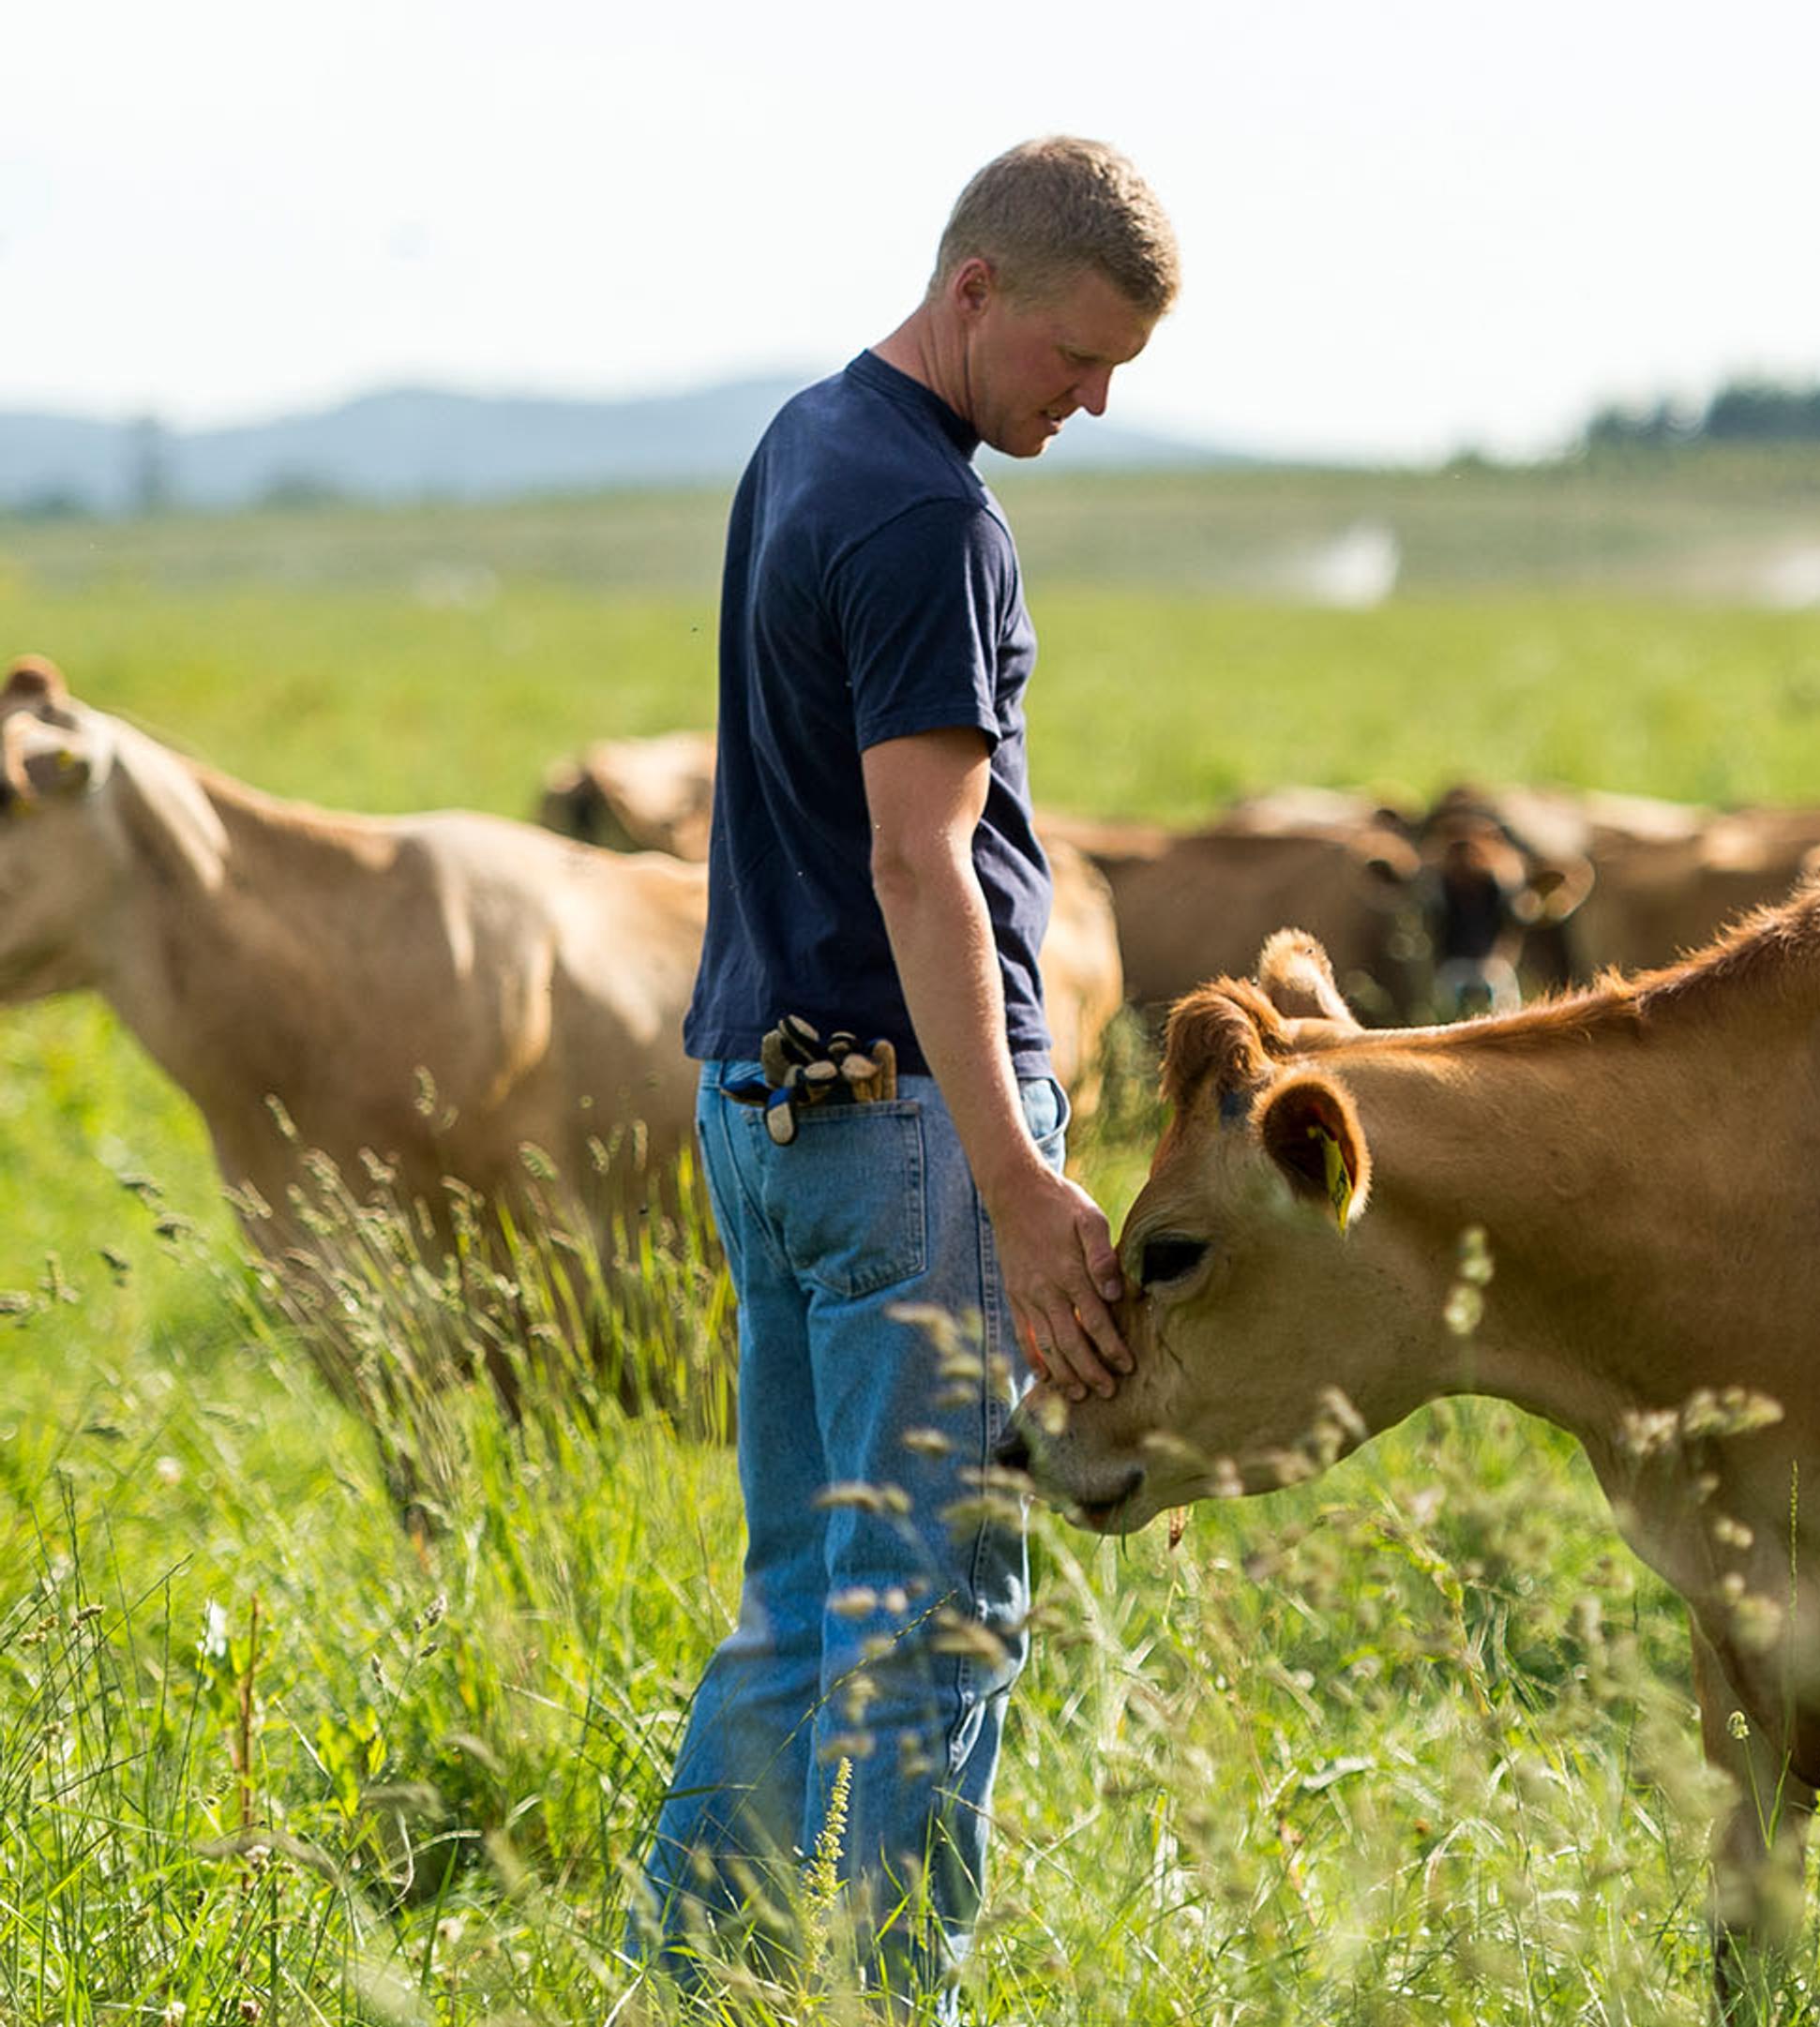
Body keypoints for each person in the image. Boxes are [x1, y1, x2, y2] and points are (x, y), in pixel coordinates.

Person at [635, 136, 1176, 2017]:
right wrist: (1021, 1176)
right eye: (1076, 355)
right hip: (907, 1130)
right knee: (938, 1622)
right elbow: (919, 860)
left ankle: (694, 1985)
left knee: (800, 1605)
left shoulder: (804, 439)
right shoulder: (934, 521)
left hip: (758, 1098)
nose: (1091, 400)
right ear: (976, 292)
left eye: (1117, 373)